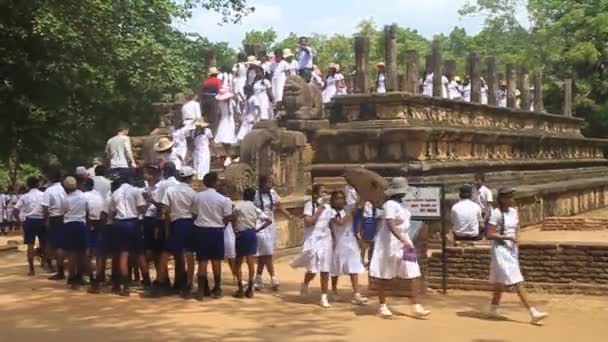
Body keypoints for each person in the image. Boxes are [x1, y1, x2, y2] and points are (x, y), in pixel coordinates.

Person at [486, 187, 549, 324]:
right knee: (516, 279)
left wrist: (516, 239)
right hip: (500, 249)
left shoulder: (514, 212)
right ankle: (532, 312)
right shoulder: (496, 214)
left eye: (512, 197)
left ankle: (493, 308)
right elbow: (489, 234)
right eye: (508, 197)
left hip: (512, 249)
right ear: (501, 199)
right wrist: (505, 237)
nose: (511, 200)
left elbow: (516, 228)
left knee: (499, 281)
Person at [369, 177, 430, 318]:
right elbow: (390, 224)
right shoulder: (389, 205)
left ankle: (416, 305)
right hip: (389, 243)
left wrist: (406, 239)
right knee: (384, 273)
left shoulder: (402, 205)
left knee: (413, 270)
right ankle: (382, 306)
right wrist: (402, 239)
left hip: (405, 242)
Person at [191, 172, 233, 299]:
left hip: (202, 231)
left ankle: (201, 290)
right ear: (215, 182)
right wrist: (222, 225)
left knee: (202, 261)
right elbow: (227, 217)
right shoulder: (223, 199)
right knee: (216, 261)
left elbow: (194, 214)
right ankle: (218, 288)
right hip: (217, 231)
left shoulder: (198, 197)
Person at [291, 183, 333, 307]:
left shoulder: (329, 207)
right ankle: (305, 283)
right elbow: (309, 222)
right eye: (322, 192)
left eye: (326, 192)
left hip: (326, 240)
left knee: (325, 269)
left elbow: (331, 223)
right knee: (313, 268)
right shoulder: (310, 206)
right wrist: (319, 209)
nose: (324, 195)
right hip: (313, 239)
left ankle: (324, 296)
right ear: (315, 194)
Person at [107, 177, 149, 296]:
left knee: (123, 253)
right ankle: (146, 282)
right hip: (133, 222)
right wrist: (147, 205)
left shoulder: (115, 193)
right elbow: (141, 209)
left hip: (120, 223)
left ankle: (125, 286)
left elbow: (111, 212)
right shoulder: (136, 191)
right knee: (140, 253)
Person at [161, 166, 197, 298]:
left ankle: (160, 281)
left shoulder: (170, 190)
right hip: (188, 224)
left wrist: (167, 229)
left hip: (175, 223)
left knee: (166, 253)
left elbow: (166, 211)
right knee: (189, 255)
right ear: (190, 178)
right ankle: (189, 283)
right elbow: (195, 213)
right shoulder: (193, 193)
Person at [328, 190, 368, 306]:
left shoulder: (347, 208)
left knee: (353, 267)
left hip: (350, 241)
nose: (340, 200)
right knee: (336, 268)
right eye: (337, 198)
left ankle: (356, 293)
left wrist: (364, 194)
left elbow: (359, 204)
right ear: (333, 200)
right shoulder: (331, 212)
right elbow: (339, 222)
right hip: (339, 242)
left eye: (341, 198)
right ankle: (334, 291)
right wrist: (349, 214)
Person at [253, 175, 293, 291]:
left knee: (263, 253)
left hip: (271, 225)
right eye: (268, 183)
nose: (270, 185)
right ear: (262, 183)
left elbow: (279, 206)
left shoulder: (272, 193)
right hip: (259, 225)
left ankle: (258, 278)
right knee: (267, 253)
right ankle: (273, 278)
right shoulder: (255, 195)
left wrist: (289, 215)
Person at [231, 188, 272, 298]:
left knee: (238, 262)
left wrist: (234, 227)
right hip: (251, 233)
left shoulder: (238, 205)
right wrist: (258, 229)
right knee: (250, 262)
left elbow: (232, 217)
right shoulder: (255, 208)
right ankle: (250, 288)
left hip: (241, 233)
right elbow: (269, 220)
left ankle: (240, 287)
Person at [60, 176, 89, 289]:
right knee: (82, 252)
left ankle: (71, 278)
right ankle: (79, 276)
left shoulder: (65, 199)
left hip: (69, 225)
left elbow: (63, 211)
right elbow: (87, 211)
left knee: (72, 253)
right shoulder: (83, 196)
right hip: (81, 224)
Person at [14, 176, 46, 275]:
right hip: (42, 220)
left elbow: (15, 210)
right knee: (44, 243)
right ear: (38, 184)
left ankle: (32, 269)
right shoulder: (43, 195)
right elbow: (47, 208)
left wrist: (19, 221)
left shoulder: (24, 196)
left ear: (28, 185)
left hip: (29, 221)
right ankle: (45, 263)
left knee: (30, 246)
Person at [42, 167, 67, 280]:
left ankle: (58, 270)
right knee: (62, 244)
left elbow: (45, 207)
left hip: (54, 217)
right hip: (65, 217)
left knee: (56, 245)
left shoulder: (49, 190)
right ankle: (58, 267)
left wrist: (46, 220)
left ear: (49, 178)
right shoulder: (64, 188)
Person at [82, 178, 105, 280]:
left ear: (84, 186)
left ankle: (90, 274)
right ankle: (99, 275)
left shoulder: (83, 196)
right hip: (99, 223)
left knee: (87, 250)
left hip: (89, 223)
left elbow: (85, 212)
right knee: (98, 250)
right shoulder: (98, 195)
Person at [214, 87, 237, 167]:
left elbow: (235, 112)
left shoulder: (232, 102)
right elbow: (219, 113)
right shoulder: (220, 104)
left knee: (228, 139)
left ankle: (229, 156)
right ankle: (228, 155)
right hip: (223, 120)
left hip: (229, 121)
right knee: (223, 139)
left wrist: (236, 120)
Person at [200, 67, 222, 133]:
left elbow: (201, 92)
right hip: (213, 100)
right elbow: (220, 91)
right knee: (214, 119)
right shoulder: (218, 81)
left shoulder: (205, 82)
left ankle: (206, 133)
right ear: (216, 74)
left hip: (205, 100)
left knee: (206, 119)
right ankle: (213, 134)